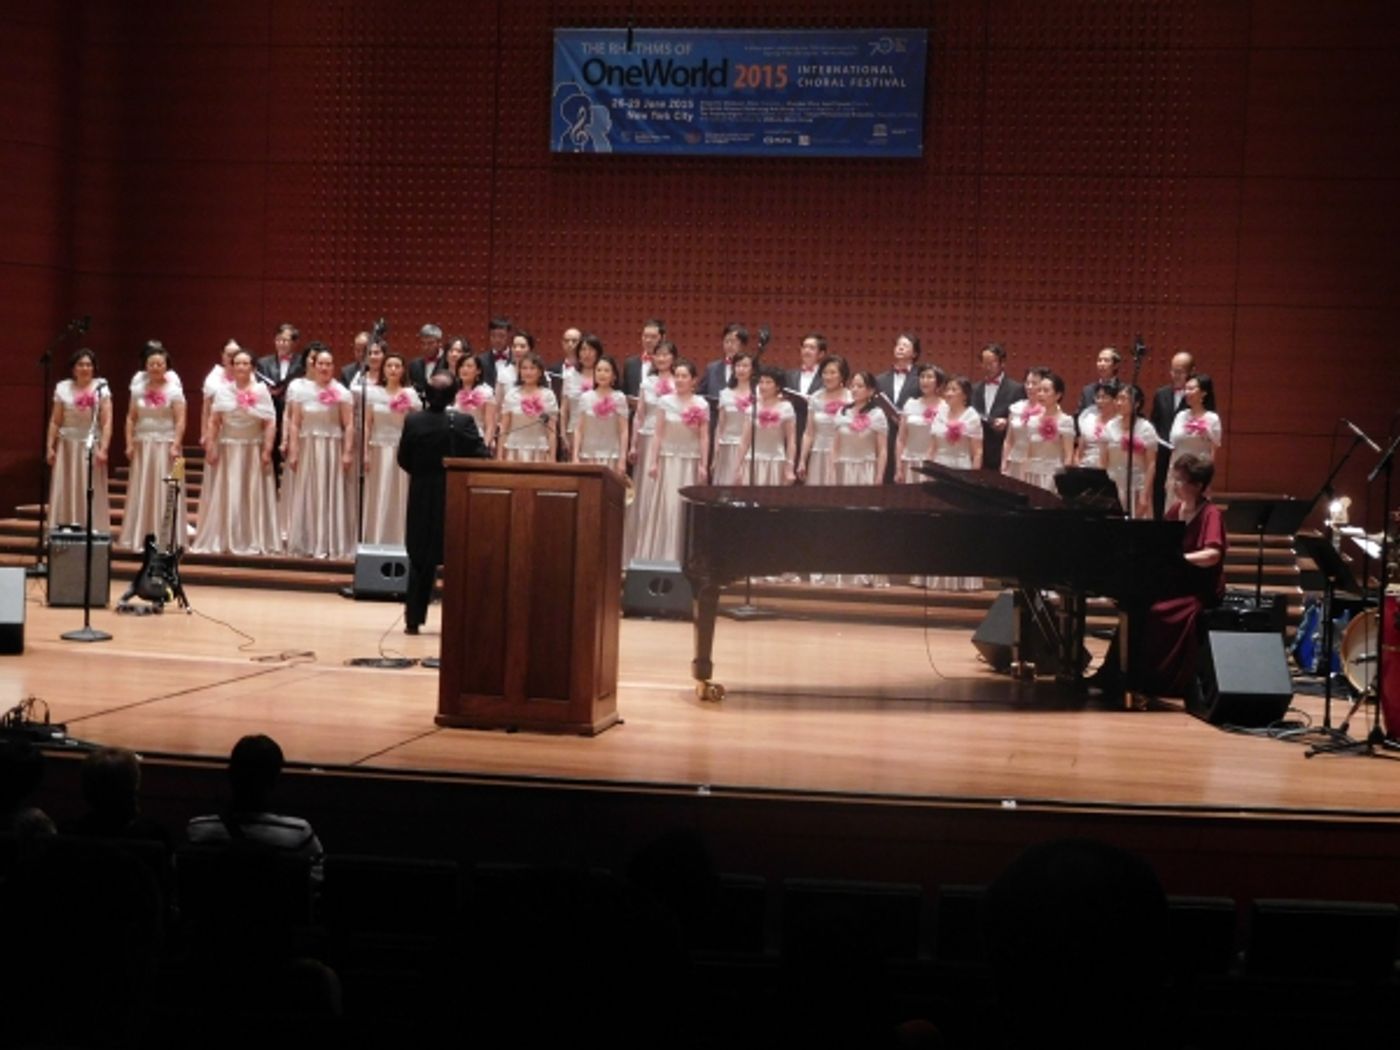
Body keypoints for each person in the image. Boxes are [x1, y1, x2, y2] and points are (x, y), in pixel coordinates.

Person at [398, 373, 491, 634]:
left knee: (419, 557)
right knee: (457, 556)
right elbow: (481, 457)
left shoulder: (413, 421)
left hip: (421, 493)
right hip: (455, 494)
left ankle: (413, 620)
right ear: (454, 396)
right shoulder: (463, 422)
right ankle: (458, 619)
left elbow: (403, 459)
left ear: (425, 394)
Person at [1134, 453, 1227, 701]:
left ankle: (1164, 680)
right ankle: (1131, 674)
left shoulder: (1210, 514)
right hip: (1178, 583)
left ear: (1197, 485)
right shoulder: (1176, 510)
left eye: (1180, 481)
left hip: (1200, 588)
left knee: (1160, 612)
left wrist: (1181, 559)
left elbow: (1212, 555)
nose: (1174, 485)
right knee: (1137, 605)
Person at [186, 734, 324, 876]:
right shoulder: (299, 834)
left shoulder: (197, 830)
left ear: (229, 775)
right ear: (275, 781)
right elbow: (318, 880)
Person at [192, 349, 279, 555]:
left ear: (253, 367)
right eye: (237, 363)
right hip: (229, 448)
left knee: (251, 492)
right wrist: (211, 446)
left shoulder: (261, 390)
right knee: (230, 491)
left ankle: (253, 537)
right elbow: (214, 421)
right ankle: (227, 536)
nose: (240, 367)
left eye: (245, 363)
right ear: (231, 366)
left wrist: (267, 449)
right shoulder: (223, 392)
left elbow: (270, 421)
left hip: (253, 448)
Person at [282, 346, 355, 558]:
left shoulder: (342, 392)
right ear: (313, 365)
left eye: (328, 364)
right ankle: (307, 542)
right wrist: (293, 451)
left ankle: (329, 542)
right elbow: (294, 423)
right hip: (307, 446)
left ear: (334, 367)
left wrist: (347, 452)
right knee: (307, 492)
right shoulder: (301, 390)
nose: (324, 367)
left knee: (329, 492)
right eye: (320, 363)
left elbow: (349, 424)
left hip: (331, 446)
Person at [635, 359, 709, 564]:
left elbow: (704, 437)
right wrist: (653, 461)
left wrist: (703, 464)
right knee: (665, 505)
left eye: (685, 376)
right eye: (677, 375)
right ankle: (660, 555)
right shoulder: (665, 401)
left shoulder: (702, 404)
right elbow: (658, 434)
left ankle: (685, 556)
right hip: (667, 460)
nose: (680, 380)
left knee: (684, 507)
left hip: (690, 461)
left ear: (694, 380)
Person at [118, 341, 187, 552]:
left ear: (166, 366)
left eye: (160, 363)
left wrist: (176, 444)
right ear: (146, 366)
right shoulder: (138, 390)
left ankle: (167, 536)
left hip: (166, 445)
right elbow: (130, 418)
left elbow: (181, 420)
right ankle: (140, 533)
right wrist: (129, 443)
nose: (155, 367)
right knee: (142, 488)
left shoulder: (175, 390)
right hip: (142, 444)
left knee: (167, 489)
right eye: (152, 363)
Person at [46, 347, 112, 537]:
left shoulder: (101, 388)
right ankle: (63, 526)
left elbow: (106, 422)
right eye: (81, 364)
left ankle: (91, 527)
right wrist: (50, 446)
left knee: (89, 487)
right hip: (66, 444)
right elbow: (55, 420)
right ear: (73, 368)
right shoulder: (63, 388)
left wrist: (104, 449)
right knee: (65, 486)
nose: (85, 368)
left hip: (90, 443)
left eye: (88, 365)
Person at [624, 340, 677, 565]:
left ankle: (663, 547)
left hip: (669, 441)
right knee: (644, 491)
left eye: (666, 355)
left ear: (673, 358)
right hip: (647, 438)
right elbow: (639, 415)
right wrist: (634, 444)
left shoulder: (679, 381)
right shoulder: (647, 383)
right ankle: (640, 548)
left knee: (664, 491)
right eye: (658, 355)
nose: (662, 359)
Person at [930, 377, 984, 590]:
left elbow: (977, 450)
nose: (949, 392)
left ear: (964, 394)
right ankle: (937, 576)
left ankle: (962, 576)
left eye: (954, 389)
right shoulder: (940, 414)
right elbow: (933, 446)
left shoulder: (971, 417)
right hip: (940, 467)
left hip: (961, 468)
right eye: (948, 389)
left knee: (960, 522)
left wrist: (974, 477)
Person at [361, 351, 421, 546]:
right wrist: (365, 452)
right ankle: (376, 537)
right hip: (378, 448)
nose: (393, 369)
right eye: (389, 366)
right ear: (383, 369)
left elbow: (417, 425)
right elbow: (367, 424)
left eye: (397, 366)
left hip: (402, 451)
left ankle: (399, 538)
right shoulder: (373, 393)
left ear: (403, 370)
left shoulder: (410, 394)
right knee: (378, 493)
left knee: (400, 494)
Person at [255, 322, 304, 482]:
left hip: (294, 412)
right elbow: (258, 385)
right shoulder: (263, 362)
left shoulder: (302, 363)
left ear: (294, 343)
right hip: (272, 411)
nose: (281, 343)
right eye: (278, 340)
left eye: (285, 340)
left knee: (295, 450)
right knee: (272, 450)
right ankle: (272, 486)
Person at [733, 366, 797, 485]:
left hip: (776, 461)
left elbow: (791, 440)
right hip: (752, 461)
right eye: (761, 382)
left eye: (768, 382)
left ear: (777, 386)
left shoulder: (786, 408)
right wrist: (738, 467)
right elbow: (744, 441)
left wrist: (789, 467)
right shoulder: (752, 408)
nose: (763, 386)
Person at [1150, 351, 1195, 518]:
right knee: (1160, 490)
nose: (1176, 375)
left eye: (1181, 371)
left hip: (1185, 454)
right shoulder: (1161, 394)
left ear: (1191, 372)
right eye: (1173, 371)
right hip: (1163, 452)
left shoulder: (1195, 396)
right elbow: (1154, 421)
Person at [796, 354, 852, 487]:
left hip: (843, 456)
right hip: (818, 454)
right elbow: (809, 433)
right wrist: (802, 460)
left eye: (833, 372)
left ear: (842, 375)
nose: (828, 377)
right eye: (825, 373)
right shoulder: (816, 397)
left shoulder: (851, 398)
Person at [1104, 384, 1158, 519]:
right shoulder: (1110, 425)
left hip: (1136, 486)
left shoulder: (1146, 428)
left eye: (1124, 399)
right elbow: (1104, 460)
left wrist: (1145, 494)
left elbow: (1151, 464)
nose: (1118, 403)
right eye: (1117, 399)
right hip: (1114, 485)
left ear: (1137, 403)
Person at [972, 342, 1025, 472]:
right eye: (984, 363)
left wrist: (1007, 422)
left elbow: (1023, 418)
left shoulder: (1016, 389)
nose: (987, 367)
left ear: (1002, 363)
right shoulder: (974, 388)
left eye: (992, 363)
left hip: (1002, 448)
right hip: (979, 449)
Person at [572, 354, 629, 475]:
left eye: (606, 370)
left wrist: (622, 459)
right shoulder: (585, 397)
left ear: (614, 375)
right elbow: (578, 429)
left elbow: (623, 431)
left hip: (612, 456)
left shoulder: (619, 397)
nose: (602, 374)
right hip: (587, 455)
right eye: (598, 370)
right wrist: (575, 456)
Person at [1020, 372, 1076, 493]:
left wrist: (1065, 481)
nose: (1040, 394)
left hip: (1053, 475)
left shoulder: (1065, 421)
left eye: (1046, 391)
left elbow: (1068, 455)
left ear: (1058, 395)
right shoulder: (1033, 420)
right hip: (1032, 473)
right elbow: (1028, 451)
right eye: (1039, 390)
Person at [498, 350, 558, 462]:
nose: (528, 372)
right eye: (524, 368)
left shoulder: (548, 395)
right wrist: (499, 456)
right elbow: (504, 428)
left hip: (539, 450)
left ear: (540, 372)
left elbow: (552, 431)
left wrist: (553, 458)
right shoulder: (512, 394)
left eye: (532, 368)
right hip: (514, 449)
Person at [894, 363, 946, 484]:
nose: (924, 381)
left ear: (938, 382)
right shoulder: (910, 404)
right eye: (922, 377)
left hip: (935, 464)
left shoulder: (945, 407)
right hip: (910, 461)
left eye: (929, 377)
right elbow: (901, 438)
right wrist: (899, 468)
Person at [712, 350, 755, 487]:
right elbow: (720, 425)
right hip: (727, 447)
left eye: (745, 366)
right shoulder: (725, 394)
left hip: (750, 449)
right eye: (738, 365)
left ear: (753, 369)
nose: (741, 369)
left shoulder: (759, 394)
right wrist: (715, 453)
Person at [1167, 373, 1222, 479]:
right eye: (1186, 389)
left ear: (1203, 392)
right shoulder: (1180, 416)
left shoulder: (1212, 418)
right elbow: (1173, 448)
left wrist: (1209, 481)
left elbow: (1213, 452)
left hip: (1199, 474)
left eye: (1191, 389)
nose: (1187, 392)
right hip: (1177, 472)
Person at [1000, 366, 1048, 483]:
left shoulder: (1048, 410)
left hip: (1037, 465)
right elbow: (1009, 440)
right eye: (1027, 383)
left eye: (1034, 383)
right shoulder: (1016, 408)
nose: (1029, 387)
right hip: (1015, 462)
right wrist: (1004, 463)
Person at [561, 332, 602, 456]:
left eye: (591, 350)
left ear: (598, 353)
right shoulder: (569, 375)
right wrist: (562, 434)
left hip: (599, 433)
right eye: (583, 350)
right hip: (573, 431)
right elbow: (564, 409)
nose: (587, 354)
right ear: (578, 353)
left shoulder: (604, 374)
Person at [449, 353, 498, 454]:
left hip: (477, 440)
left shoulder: (486, 392)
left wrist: (485, 446)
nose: (464, 369)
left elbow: (490, 424)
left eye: (469, 366)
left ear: (478, 371)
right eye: (462, 366)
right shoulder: (452, 390)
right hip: (453, 440)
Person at [200, 339, 239, 452]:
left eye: (236, 354)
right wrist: (204, 434)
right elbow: (206, 409)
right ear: (223, 356)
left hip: (241, 431)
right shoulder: (213, 379)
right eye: (229, 355)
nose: (232, 358)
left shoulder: (249, 376)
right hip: (218, 430)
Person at [1075, 380, 1120, 468]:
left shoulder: (1120, 422)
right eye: (1098, 397)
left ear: (1115, 400)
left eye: (1104, 397)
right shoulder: (1088, 419)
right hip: (1087, 467)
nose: (1099, 401)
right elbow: (1079, 451)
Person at [700, 322, 748, 398]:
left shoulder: (751, 369)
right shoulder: (711, 369)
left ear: (743, 345)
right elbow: (700, 395)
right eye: (726, 341)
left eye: (733, 341)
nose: (729, 345)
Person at [623, 318, 665, 399]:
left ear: (663, 338)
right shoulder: (630, 364)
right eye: (645, 336)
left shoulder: (671, 364)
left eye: (653, 337)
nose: (648, 340)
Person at [1077, 346, 1121, 413]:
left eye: (1106, 360)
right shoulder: (1088, 390)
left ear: (1116, 365)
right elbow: (1079, 415)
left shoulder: (1123, 390)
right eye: (1099, 360)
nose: (1102, 364)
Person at [476, 316, 514, 389]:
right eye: (493, 336)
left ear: (509, 336)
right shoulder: (481, 360)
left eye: (501, 336)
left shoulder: (517, 359)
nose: (497, 340)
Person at [407, 323, 446, 389]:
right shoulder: (414, 365)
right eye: (423, 343)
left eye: (430, 343)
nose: (426, 347)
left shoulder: (448, 362)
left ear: (439, 343)